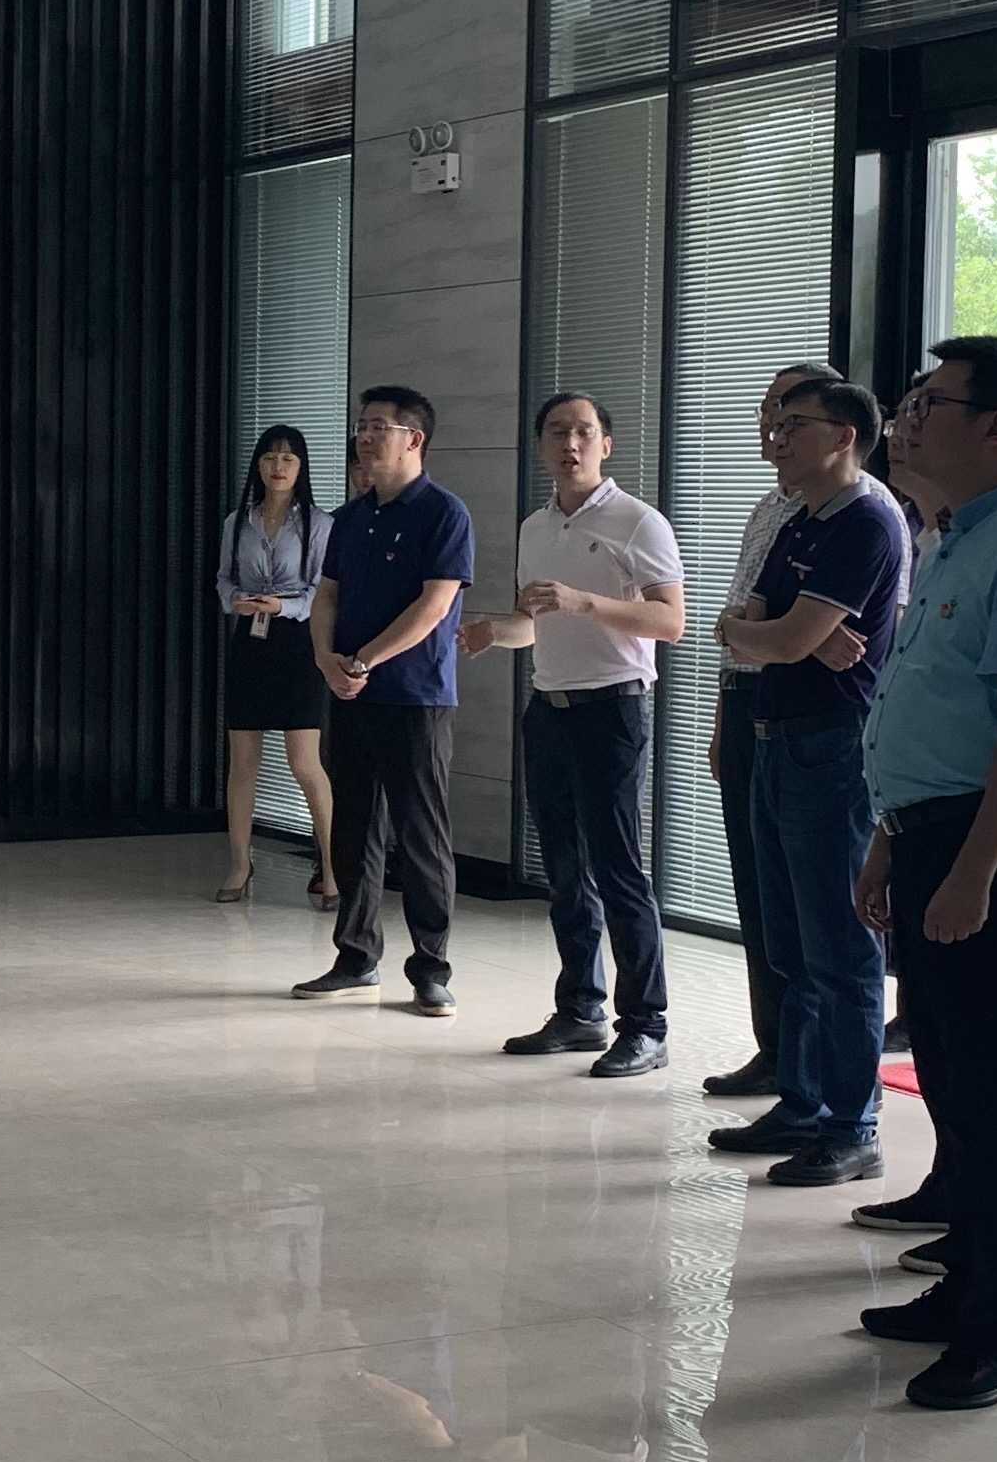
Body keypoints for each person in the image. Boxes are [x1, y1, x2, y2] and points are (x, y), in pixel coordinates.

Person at [849, 336, 997, 1410]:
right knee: (951, 1076)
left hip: (988, 844)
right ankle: (966, 1285)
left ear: (995, 427)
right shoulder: (953, 539)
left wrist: (974, 871)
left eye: (929, 404)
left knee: (996, 1092)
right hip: (930, 833)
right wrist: (890, 842)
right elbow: (930, 711)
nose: (906, 420)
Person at [708, 377, 907, 1186]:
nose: (777, 439)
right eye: (775, 424)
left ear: (846, 436)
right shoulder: (798, 519)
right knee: (787, 939)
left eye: (795, 425)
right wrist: (772, 633)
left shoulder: (866, 520)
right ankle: (802, 1102)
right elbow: (738, 624)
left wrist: (779, 634)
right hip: (774, 739)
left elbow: (780, 638)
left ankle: (853, 1124)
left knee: (840, 945)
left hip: (832, 748)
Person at [458, 390, 685, 1078]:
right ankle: (581, 1010)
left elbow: (670, 622)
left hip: (612, 710)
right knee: (563, 871)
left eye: (584, 432)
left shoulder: (639, 522)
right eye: (557, 432)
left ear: (605, 445)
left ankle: (645, 1025)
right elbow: (536, 625)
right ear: (540, 447)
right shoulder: (535, 528)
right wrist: (495, 632)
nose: (571, 444)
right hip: (548, 709)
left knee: (618, 870)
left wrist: (586, 601)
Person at [294, 385, 476, 1018]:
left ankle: (431, 969)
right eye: (362, 427)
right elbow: (327, 596)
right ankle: (355, 958)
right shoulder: (350, 518)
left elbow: (435, 605)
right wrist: (326, 658)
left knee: (421, 835)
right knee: (353, 830)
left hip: (415, 698)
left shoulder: (445, 513)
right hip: (349, 692)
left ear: (413, 438)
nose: (364, 437)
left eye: (378, 427)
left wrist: (365, 660)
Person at [213, 423, 339, 908]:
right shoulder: (237, 522)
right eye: (269, 457)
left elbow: (321, 592)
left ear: (301, 467)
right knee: (242, 762)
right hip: (249, 640)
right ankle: (239, 863)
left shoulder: (319, 524)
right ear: (258, 465)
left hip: (299, 641)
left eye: (288, 458)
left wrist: (280, 606)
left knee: (304, 762)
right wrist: (237, 601)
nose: (278, 467)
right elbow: (223, 579)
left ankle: (331, 866)